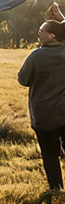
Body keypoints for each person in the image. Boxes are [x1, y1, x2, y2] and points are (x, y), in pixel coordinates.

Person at [17, 17, 65, 190]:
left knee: (50, 155)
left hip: (44, 115)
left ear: (52, 36)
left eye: (41, 31)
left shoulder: (36, 56)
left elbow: (23, 80)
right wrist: (60, 17)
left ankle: (56, 190)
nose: (38, 33)